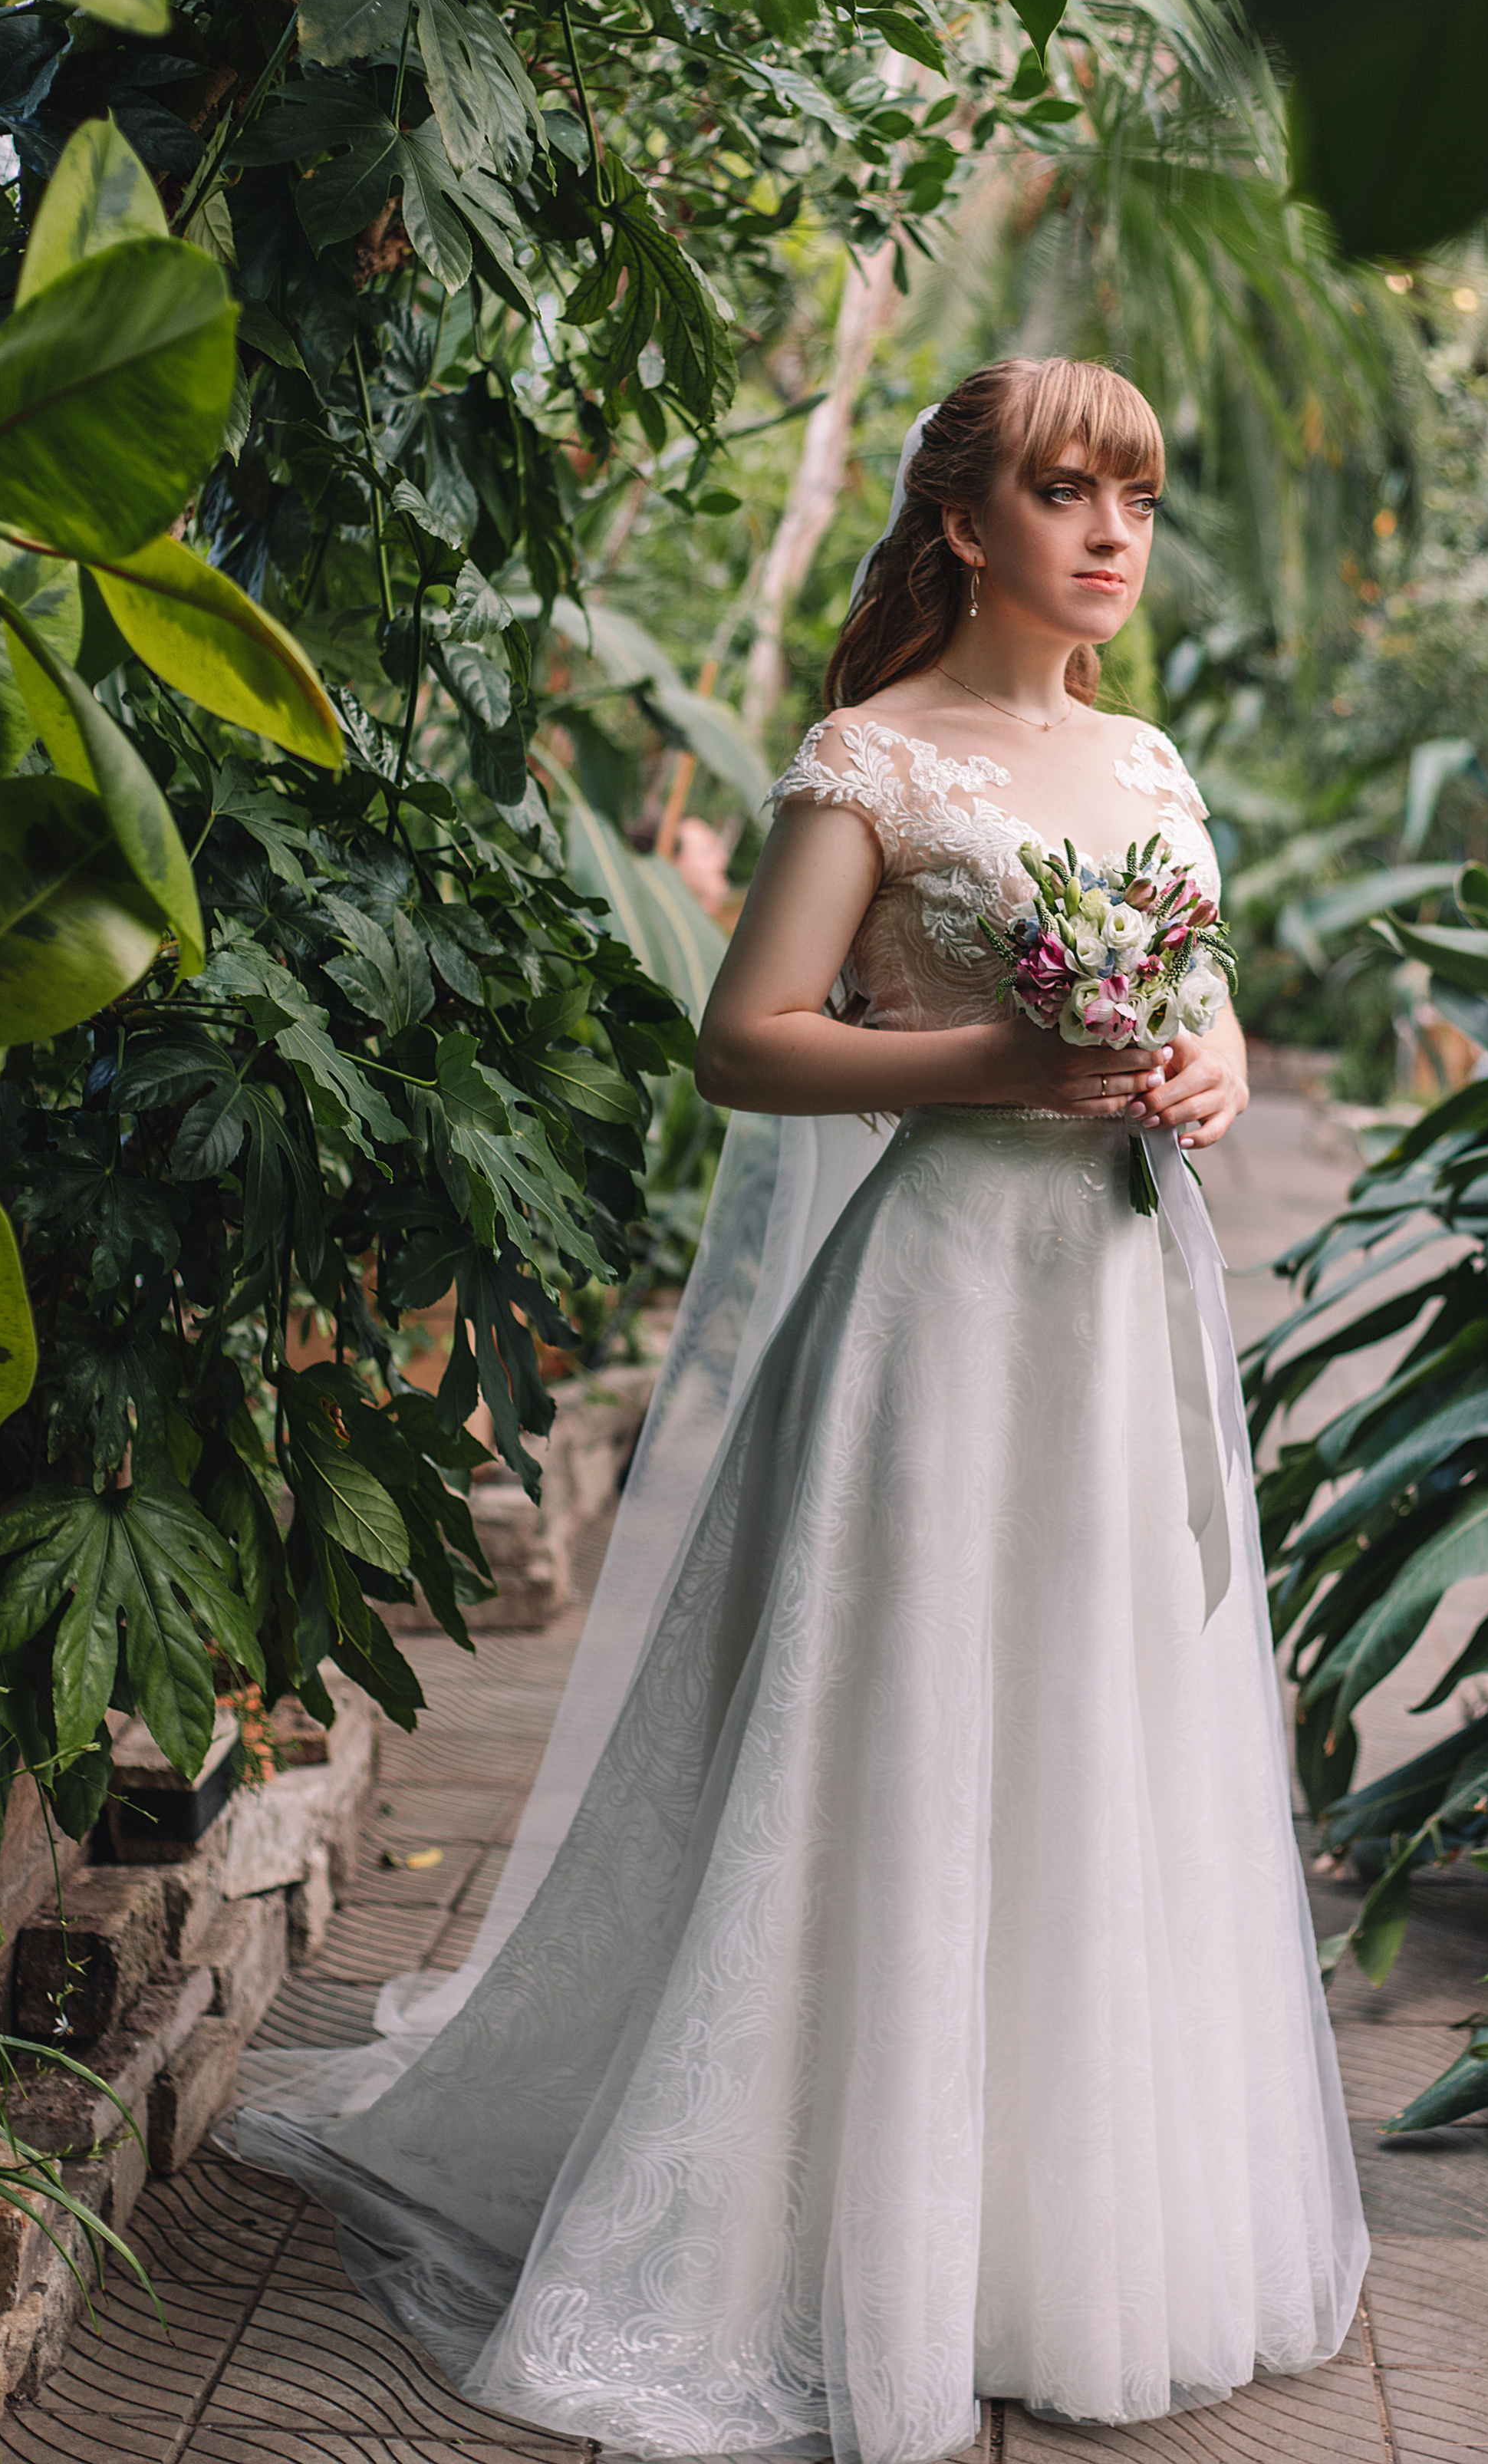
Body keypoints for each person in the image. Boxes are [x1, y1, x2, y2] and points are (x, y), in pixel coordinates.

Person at [227, 357, 1366, 2464]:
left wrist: (1203, 1069)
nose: (1113, 531)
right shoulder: (877, 762)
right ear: (967, 524)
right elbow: (749, 1045)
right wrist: (999, 1073)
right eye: (1067, 490)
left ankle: (1052, 2237)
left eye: (1137, 495)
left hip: (1118, 1306)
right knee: (910, 1723)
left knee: (1097, 1726)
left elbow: (1200, 1007)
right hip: (944, 1307)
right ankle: (828, 2237)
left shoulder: (1149, 760)